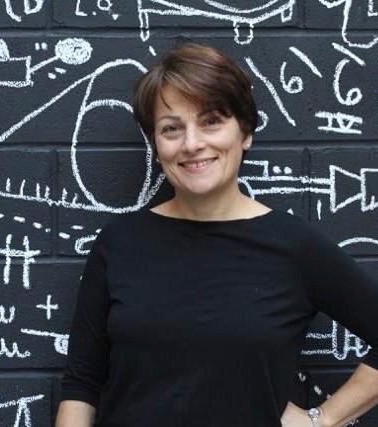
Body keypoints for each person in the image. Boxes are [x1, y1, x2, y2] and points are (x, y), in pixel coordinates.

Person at [56, 43, 378, 426]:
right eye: (172, 128)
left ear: (246, 133)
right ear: (156, 145)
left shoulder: (293, 246)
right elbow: (82, 385)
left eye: (211, 121)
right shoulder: (119, 243)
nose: (192, 144)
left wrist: (322, 419)